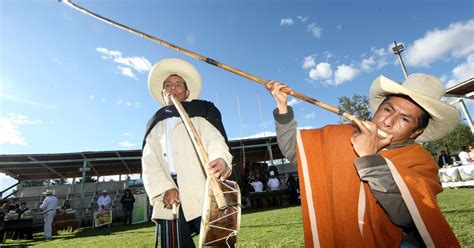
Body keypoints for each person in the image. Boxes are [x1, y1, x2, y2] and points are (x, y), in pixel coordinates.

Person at [266, 73, 460, 247]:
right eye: (388, 109)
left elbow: (405, 216)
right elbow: (295, 151)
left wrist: (369, 158)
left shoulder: (420, 161)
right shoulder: (343, 135)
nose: (388, 121)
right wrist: (283, 107)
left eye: (404, 119)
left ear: (417, 132)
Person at [142, 58, 232, 247]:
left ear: (187, 92)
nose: (172, 88)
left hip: (201, 188)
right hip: (169, 193)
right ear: (163, 93)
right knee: (175, 243)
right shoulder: (155, 124)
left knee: (217, 241)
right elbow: (149, 163)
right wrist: (164, 188)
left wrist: (221, 159)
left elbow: (215, 141)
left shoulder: (199, 114)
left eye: (178, 85)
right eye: (168, 85)